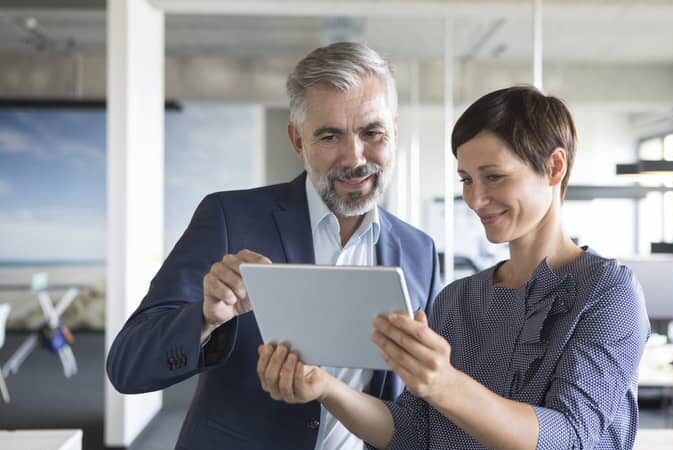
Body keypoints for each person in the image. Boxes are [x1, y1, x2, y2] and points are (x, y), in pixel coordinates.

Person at [257, 86, 651, 450]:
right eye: (466, 179)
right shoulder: (459, 299)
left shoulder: (607, 291)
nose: (475, 199)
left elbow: (570, 436)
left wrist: (444, 383)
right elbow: (410, 431)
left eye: (494, 177)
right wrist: (325, 387)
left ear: (554, 167)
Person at [106, 42, 441, 450]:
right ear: (298, 142)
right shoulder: (229, 218)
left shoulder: (419, 251)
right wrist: (206, 320)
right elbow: (127, 366)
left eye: (372, 133)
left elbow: (419, 402)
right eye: (330, 135)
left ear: (394, 132)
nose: (355, 158)